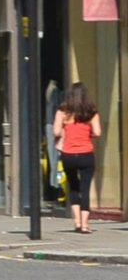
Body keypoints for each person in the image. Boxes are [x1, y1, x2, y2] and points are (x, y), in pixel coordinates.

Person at [53, 82, 101, 234]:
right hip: (86, 153)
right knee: (85, 189)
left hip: (68, 155)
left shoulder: (63, 112)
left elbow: (55, 132)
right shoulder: (91, 113)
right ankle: (85, 225)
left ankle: (77, 222)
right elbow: (98, 133)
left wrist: (66, 132)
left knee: (73, 187)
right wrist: (87, 134)